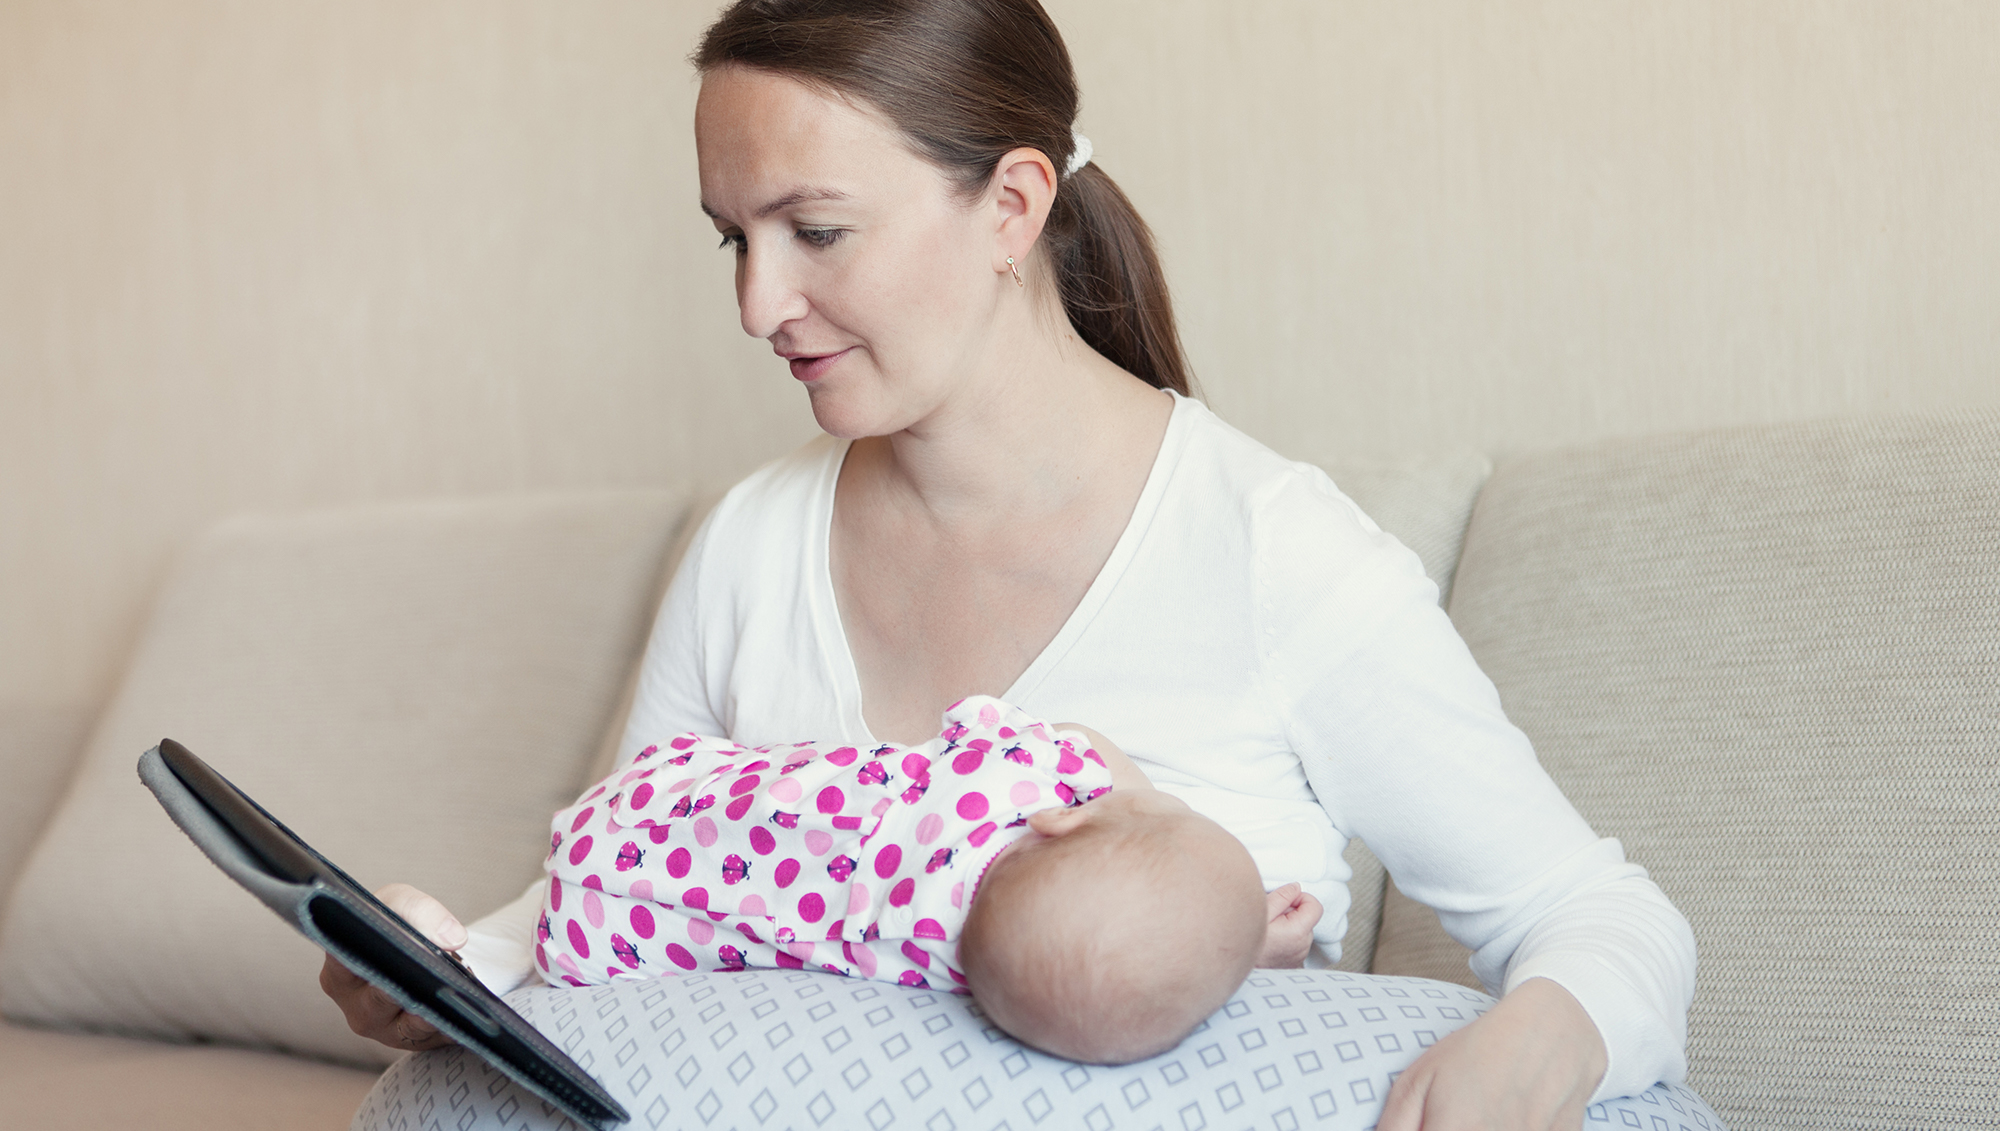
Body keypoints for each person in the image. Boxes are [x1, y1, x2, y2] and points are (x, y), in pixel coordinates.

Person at [323, 1, 1698, 1127]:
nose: (756, 303)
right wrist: (454, 960)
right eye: (733, 239)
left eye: (815, 230)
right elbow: (648, 881)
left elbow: (1593, 913)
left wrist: (1541, 1043)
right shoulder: (748, 543)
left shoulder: (1270, 551)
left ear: (1012, 204)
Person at [534, 694, 1322, 1064]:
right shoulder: (941, 962)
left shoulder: (1010, 781)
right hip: (599, 927)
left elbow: (1080, 742)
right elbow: (1126, 954)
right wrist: (1239, 942)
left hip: (661, 791)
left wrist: (1140, 806)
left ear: (1066, 817)